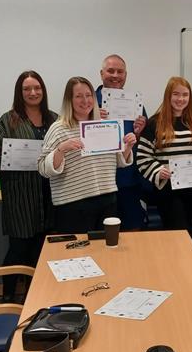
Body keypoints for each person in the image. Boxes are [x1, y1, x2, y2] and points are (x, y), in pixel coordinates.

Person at [38, 76, 135, 234]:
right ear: (69, 100)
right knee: (77, 256)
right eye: (78, 96)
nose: (85, 100)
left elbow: (119, 161)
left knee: (106, 252)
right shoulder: (59, 128)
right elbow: (43, 168)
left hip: (107, 199)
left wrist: (128, 146)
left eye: (89, 95)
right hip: (73, 204)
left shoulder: (105, 125)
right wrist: (61, 150)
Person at [0, 71, 57, 302]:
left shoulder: (54, 119)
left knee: (42, 250)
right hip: (21, 196)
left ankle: (35, 295)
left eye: (37, 88)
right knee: (18, 249)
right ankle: (8, 297)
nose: (33, 93)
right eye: (27, 89)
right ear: (19, 93)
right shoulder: (7, 120)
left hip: (50, 196)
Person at [137, 77, 192, 242]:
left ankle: (188, 267)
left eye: (185, 95)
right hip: (168, 190)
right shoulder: (155, 123)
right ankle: (176, 267)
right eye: (176, 94)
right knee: (176, 233)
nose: (181, 99)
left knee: (189, 231)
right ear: (168, 96)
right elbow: (143, 157)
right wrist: (159, 171)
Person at [95, 54, 148, 230]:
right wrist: (94, 120)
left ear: (126, 75)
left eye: (120, 72)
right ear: (101, 73)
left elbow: (144, 142)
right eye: (111, 71)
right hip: (99, 182)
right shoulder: (89, 101)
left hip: (128, 179)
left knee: (133, 230)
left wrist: (140, 132)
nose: (115, 75)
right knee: (101, 234)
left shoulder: (135, 101)